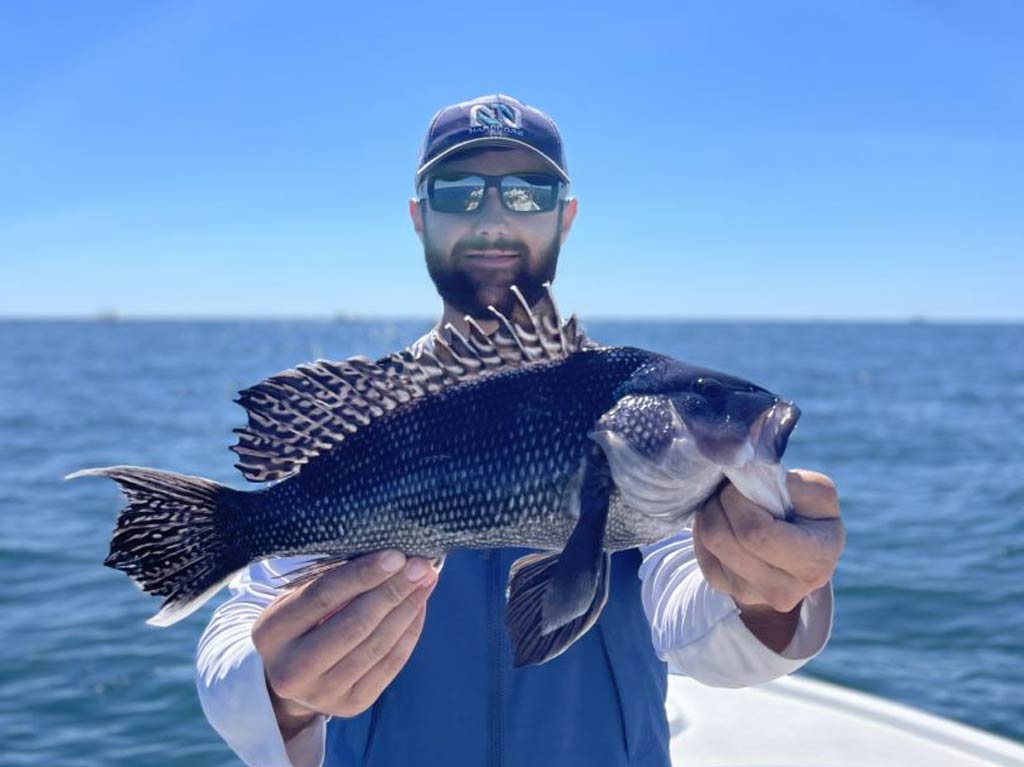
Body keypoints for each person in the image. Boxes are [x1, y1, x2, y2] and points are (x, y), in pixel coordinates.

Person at [195, 94, 845, 767]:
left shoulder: (642, 417)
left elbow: (694, 613)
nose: (494, 216)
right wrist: (280, 691)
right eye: (458, 191)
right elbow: (240, 631)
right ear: (420, 218)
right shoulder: (383, 418)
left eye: (529, 193)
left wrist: (768, 592)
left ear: (566, 216)